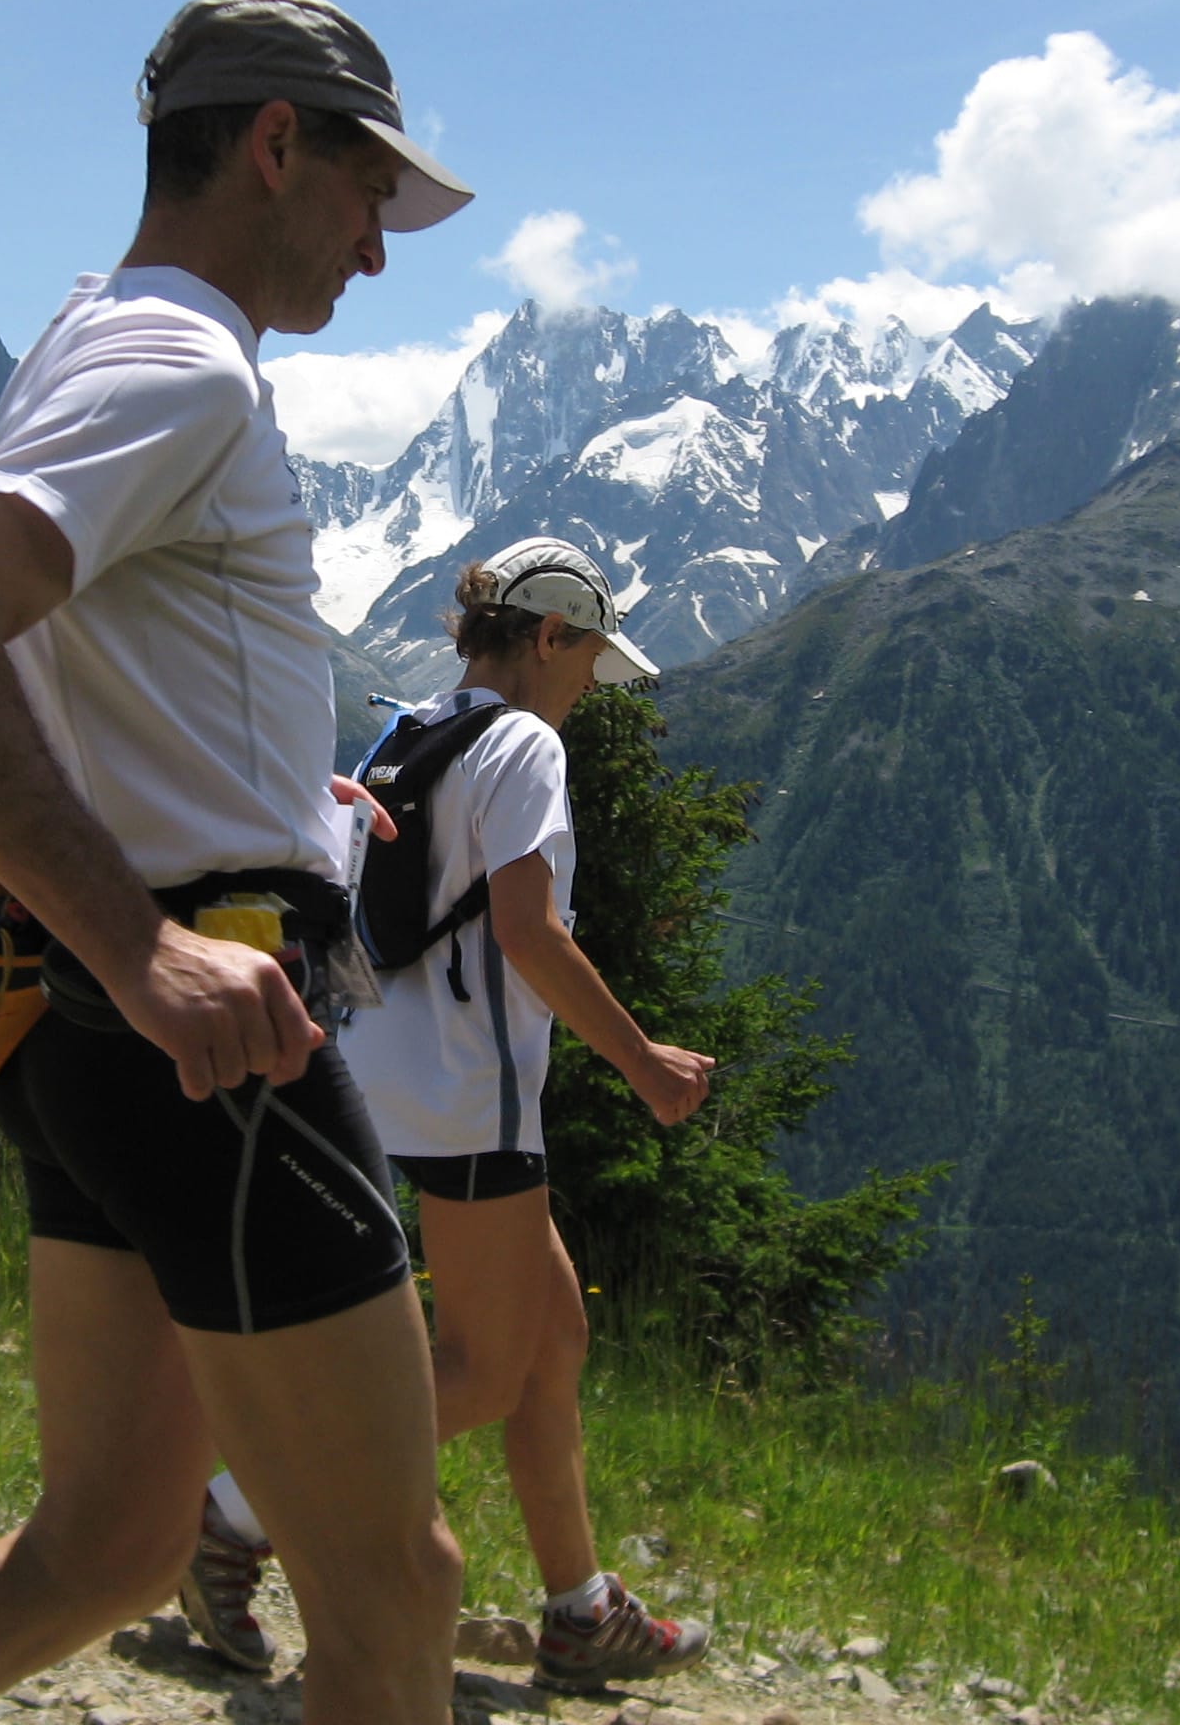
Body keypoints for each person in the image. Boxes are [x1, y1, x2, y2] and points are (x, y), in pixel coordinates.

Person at [0, 0, 475, 1725]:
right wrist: (150, 949)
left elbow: (87, 670)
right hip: (212, 1046)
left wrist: (286, 805)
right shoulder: (178, 361)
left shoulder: (94, 334)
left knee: (98, 1553)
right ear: (273, 143)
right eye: (364, 194)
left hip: (93, 1039)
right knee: (396, 1587)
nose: (374, 254)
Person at [181, 538, 719, 1696]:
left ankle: (577, 1610)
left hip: (379, 1073)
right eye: (586, 665)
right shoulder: (523, 743)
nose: (588, 693)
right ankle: (226, 1520)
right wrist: (642, 1063)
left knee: (553, 1330)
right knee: (481, 1367)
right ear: (545, 639)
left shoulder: (404, 730)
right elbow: (528, 931)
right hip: (473, 1097)